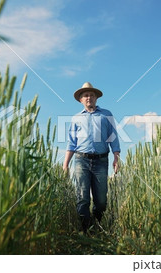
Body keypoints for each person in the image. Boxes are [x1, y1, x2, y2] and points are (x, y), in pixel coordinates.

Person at [63, 82, 121, 234]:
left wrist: (116, 156)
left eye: (92, 95)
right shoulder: (76, 118)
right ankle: (85, 231)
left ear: (96, 98)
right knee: (82, 198)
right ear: (81, 100)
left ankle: (97, 225)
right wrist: (65, 165)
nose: (89, 97)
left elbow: (113, 137)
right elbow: (71, 142)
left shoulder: (106, 114)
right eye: (85, 95)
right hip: (81, 160)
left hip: (101, 161)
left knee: (101, 201)